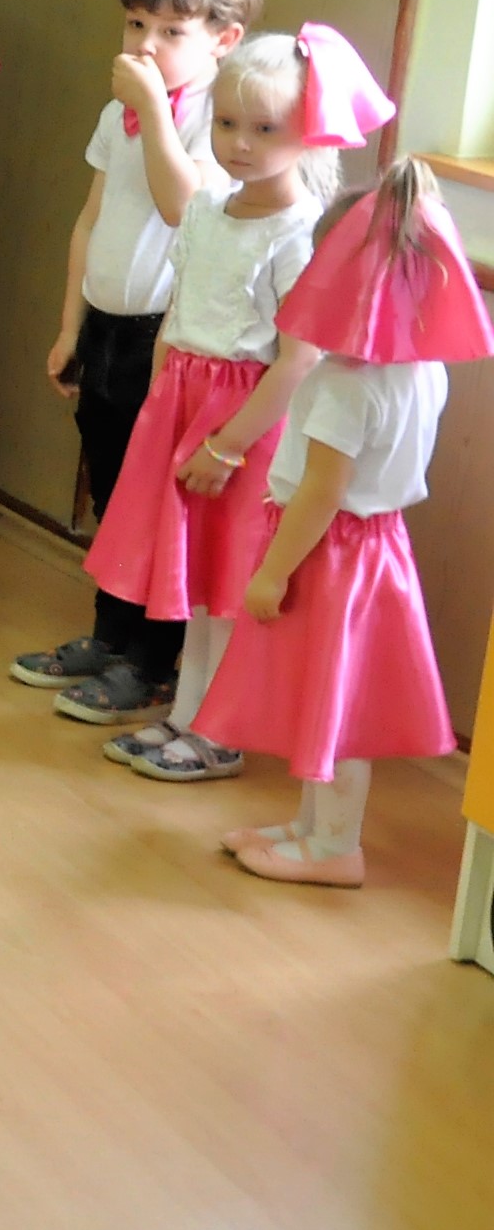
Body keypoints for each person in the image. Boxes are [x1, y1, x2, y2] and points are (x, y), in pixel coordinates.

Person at [86, 29, 374, 779]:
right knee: (197, 581)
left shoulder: (298, 231)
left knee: (231, 582)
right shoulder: (208, 208)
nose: (241, 143)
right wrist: (160, 403)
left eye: (265, 128)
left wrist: (228, 444)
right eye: (227, 124)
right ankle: (189, 713)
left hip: (244, 421)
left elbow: (298, 358)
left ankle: (222, 730)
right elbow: (180, 312)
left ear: (309, 131)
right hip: (183, 403)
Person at [195, 159, 486, 887]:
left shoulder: (344, 388)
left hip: (330, 554)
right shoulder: (422, 370)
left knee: (334, 708)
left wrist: (271, 574)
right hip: (376, 549)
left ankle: (336, 846)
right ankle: (314, 828)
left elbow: (322, 492)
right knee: (326, 698)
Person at [9, 0, 256, 720]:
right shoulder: (116, 112)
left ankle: (153, 661)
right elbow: (91, 219)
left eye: (172, 31)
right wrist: (70, 325)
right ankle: (110, 636)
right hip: (108, 327)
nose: (147, 45)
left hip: (168, 342)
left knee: (159, 506)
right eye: (136, 24)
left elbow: (186, 212)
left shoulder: (220, 121)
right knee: (113, 491)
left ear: (224, 39)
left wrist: (152, 111)